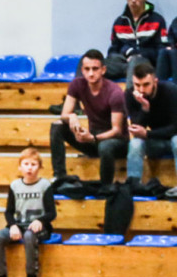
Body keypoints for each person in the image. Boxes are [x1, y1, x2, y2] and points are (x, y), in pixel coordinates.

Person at [49, 49, 128, 187]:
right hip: (93, 138)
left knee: (105, 146)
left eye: (95, 69)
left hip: (116, 142)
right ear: (82, 70)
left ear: (103, 70)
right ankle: (59, 175)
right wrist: (71, 117)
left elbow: (117, 131)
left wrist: (93, 138)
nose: (91, 73)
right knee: (57, 126)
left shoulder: (115, 92)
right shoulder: (77, 84)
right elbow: (64, 115)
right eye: (87, 69)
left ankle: (106, 186)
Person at [126, 61, 177, 197]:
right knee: (135, 143)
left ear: (155, 81)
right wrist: (145, 108)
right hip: (160, 141)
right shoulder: (130, 95)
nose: (141, 90)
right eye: (137, 85)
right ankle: (133, 187)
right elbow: (137, 127)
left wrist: (148, 134)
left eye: (146, 85)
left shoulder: (171, 90)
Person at [0, 148, 56, 277]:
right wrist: (12, 225)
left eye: (33, 164)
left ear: (39, 167)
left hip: (39, 229)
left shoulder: (45, 186)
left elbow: (52, 213)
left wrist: (41, 221)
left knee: (28, 236)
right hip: (19, 226)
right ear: (19, 166)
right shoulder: (14, 186)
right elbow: (8, 212)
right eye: (26, 164)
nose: (29, 167)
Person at [106, 0, 168, 82]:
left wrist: (140, 54)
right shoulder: (119, 22)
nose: (133, 1)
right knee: (91, 62)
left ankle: (130, 97)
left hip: (147, 65)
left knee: (135, 62)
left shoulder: (157, 20)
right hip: (123, 63)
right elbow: (112, 50)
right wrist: (127, 52)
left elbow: (162, 51)